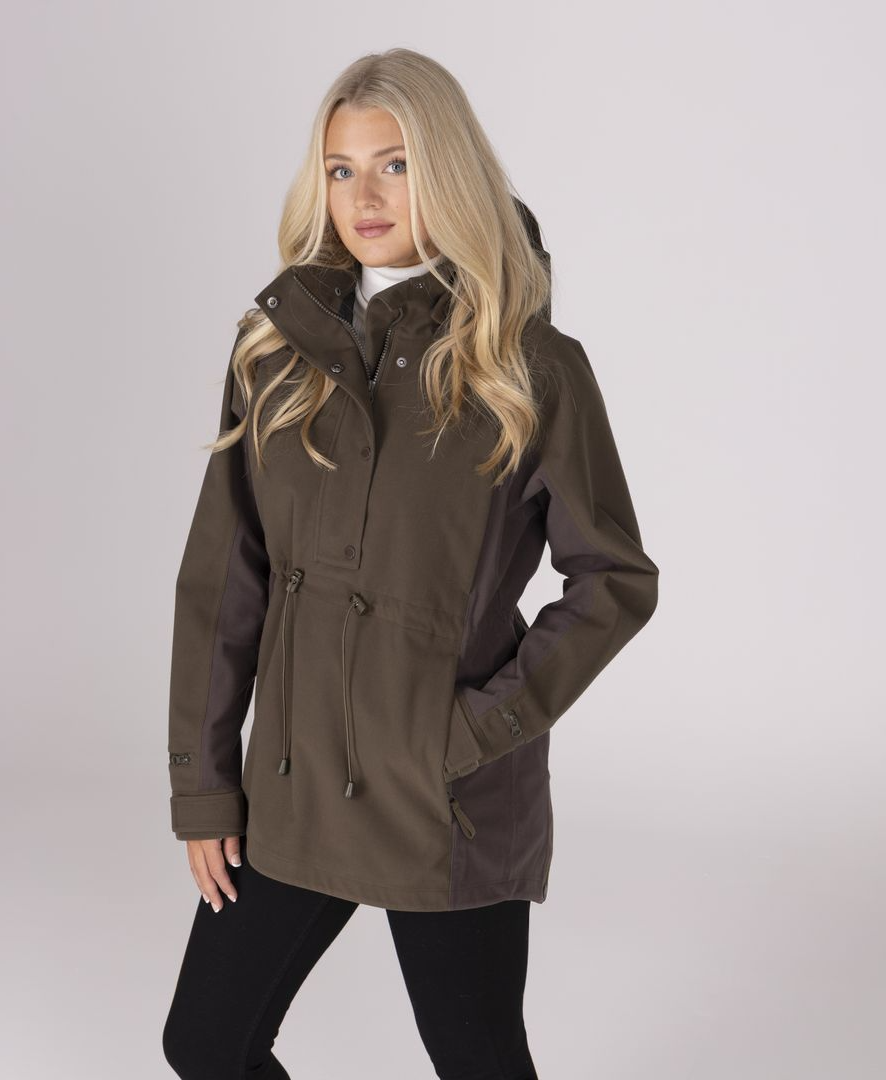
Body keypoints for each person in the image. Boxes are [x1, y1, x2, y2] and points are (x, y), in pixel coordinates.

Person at [162, 47, 659, 1080]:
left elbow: (613, 580)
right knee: (206, 1043)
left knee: (478, 1058)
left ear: (448, 170)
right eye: (341, 170)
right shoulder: (274, 352)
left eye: (394, 165)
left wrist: (475, 731)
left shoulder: (529, 366)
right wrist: (205, 786)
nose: (365, 197)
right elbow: (224, 580)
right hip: (294, 783)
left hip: (446, 797)